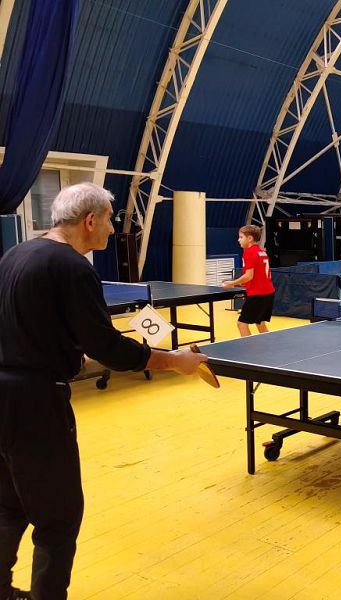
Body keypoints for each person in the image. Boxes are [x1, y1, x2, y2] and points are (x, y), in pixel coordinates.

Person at [0, 183, 207, 600]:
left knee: (8, 505)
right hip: (36, 403)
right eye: (110, 220)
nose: (113, 230)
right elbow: (107, 348)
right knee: (58, 518)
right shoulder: (73, 267)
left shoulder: (15, 254)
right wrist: (173, 361)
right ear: (90, 220)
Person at [222, 225, 275, 337]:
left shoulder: (249, 252)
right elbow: (259, 275)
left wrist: (232, 283)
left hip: (258, 294)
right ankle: (268, 345)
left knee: (241, 324)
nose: (238, 240)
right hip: (268, 292)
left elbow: (249, 276)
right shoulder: (261, 252)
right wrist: (243, 283)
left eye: (241, 237)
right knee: (260, 323)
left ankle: (248, 347)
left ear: (250, 238)